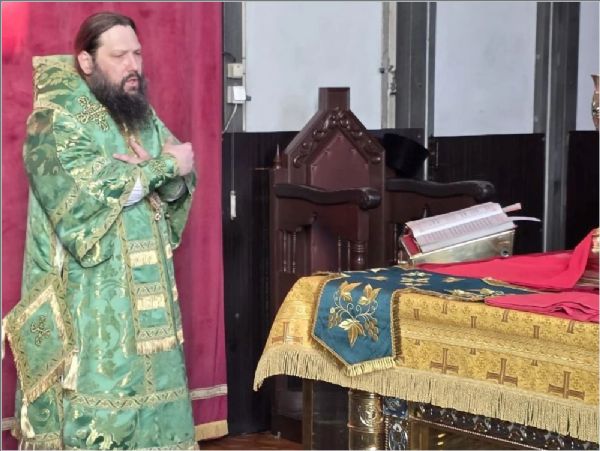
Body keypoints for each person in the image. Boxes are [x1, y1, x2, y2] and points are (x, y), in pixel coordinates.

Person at [4, 11, 198, 450]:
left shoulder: (140, 114)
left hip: (151, 299)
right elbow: (92, 195)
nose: (133, 66)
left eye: (137, 54)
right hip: (92, 299)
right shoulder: (54, 121)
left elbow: (181, 175)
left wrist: (164, 173)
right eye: (119, 55)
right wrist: (161, 168)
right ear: (86, 61)